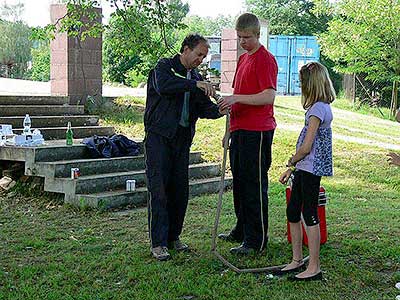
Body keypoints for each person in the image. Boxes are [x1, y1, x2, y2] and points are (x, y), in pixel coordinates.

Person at [144, 34, 222, 261]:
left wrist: (222, 109)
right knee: (158, 190)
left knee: (180, 190)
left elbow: (203, 107)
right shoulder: (164, 67)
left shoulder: (196, 77)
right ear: (186, 49)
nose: (201, 60)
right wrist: (194, 83)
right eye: (199, 54)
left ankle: (173, 237)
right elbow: (165, 87)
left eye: (204, 57)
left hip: (182, 139)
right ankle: (158, 243)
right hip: (158, 138)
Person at [217, 13, 278, 255]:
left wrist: (236, 98)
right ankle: (242, 230)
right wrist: (229, 131)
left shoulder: (265, 60)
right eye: (240, 37)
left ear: (257, 34)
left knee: (254, 185)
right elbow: (237, 98)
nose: (243, 42)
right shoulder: (243, 60)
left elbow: (269, 95)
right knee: (240, 184)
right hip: (240, 130)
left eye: (247, 38)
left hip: (258, 131)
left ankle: (257, 239)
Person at [278, 61, 335, 281]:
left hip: (310, 168)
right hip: (304, 167)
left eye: (303, 82)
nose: (301, 86)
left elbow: (307, 146)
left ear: (310, 84)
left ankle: (314, 267)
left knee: (309, 213)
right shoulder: (317, 108)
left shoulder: (318, 109)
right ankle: (296, 260)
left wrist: (291, 162)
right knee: (293, 211)